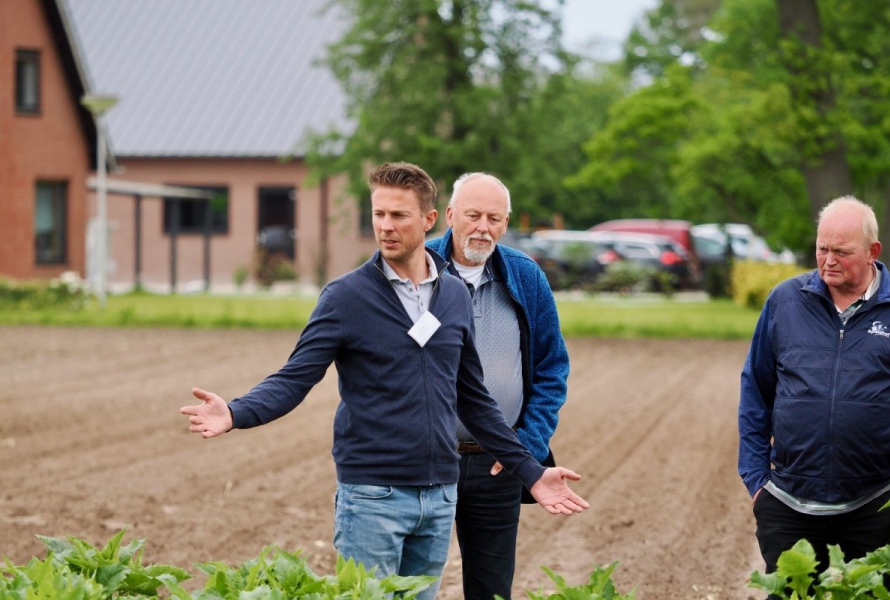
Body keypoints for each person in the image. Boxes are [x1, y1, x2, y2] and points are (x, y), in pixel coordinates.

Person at [180, 162, 589, 600]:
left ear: (428, 219)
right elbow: (295, 377)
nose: (386, 227)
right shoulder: (346, 297)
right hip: (375, 495)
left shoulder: (451, 296)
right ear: (449, 218)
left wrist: (530, 469)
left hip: (436, 495)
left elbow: (473, 398)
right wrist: (237, 411)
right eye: (379, 215)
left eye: (398, 216)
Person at [739, 196, 890, 583]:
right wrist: (757, 480)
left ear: (872, 252)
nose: (828, 260)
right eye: (822, 248)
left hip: (878, 505)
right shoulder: (785, 302)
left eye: (842, 252)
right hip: (790, 503)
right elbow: (756, 391)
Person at [425, 172, 569, 600]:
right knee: (413, 585)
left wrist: (525, 446)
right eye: (472, 215)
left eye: (494, 218)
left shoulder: (526, 277)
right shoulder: (417, 268)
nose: (483, 227)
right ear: (450, 215)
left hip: (498, 465)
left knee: (491, 591)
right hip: (425, 462)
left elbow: (552, 369)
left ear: (506, 223)